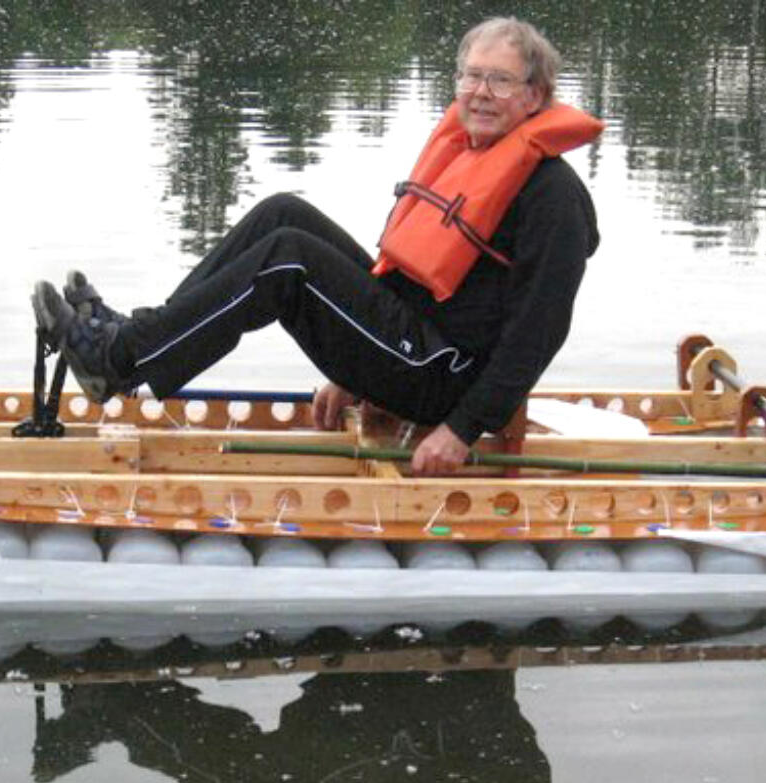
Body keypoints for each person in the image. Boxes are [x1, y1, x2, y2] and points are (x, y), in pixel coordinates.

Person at [31, 17, 601, 474]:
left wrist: (463, 429)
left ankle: (118, 358)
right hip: (412, 344)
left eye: (499, 80)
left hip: (442, 378)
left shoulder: (553, 197)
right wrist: (354, 370)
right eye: (470, 77)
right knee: (283, 213)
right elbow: (407, 272)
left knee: (290, 260)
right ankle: (137, 338)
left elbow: (539, 331)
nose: (479, 93)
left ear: (536, 96)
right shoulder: (471, 152)